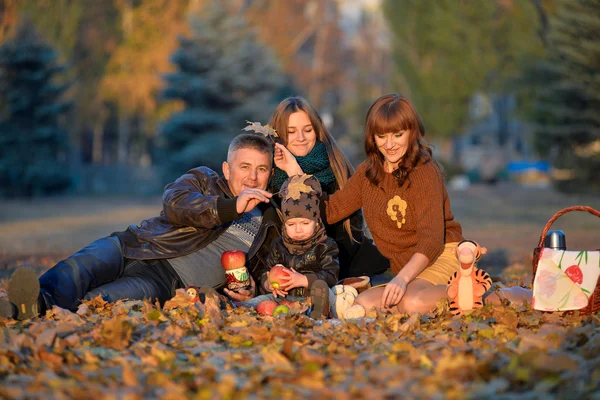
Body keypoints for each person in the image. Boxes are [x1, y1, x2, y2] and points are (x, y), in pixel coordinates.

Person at [0, 134, 280, 320]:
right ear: (227, 169)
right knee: (78, 268)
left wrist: (252, 288)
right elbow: (175, 204)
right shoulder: (204, 179)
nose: (252, 178)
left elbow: (264, 269)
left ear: (270, 174)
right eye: (244, 167)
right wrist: (231, 207)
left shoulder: (266, 223)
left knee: (100, 300)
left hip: (166, 282)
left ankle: (32, 309)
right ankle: (31, 302)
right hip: (137, 244)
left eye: (262, 169)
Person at [269, 97, 389, 282]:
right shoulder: (271, 176)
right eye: (291, 132)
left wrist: (296, 174)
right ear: (279, 135)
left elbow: (348, 237)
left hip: (346, 267)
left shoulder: (336, 168)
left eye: (307, 130)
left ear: (317, 131)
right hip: (289, 277)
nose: (300, 138)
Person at [243, 174, 339, 318]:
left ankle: (318, 313)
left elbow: (332, 275)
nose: (298, 229)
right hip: (283, 298)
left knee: (322, 290)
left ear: (317, 222)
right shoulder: (279, 244)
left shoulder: (325, 245)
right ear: (284, 224)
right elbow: (267, 269)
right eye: (291, 224)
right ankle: (233, 306)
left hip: (311, 297)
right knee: (258, 302)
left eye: (305, 223)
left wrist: (303, 280)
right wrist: (268, 283)